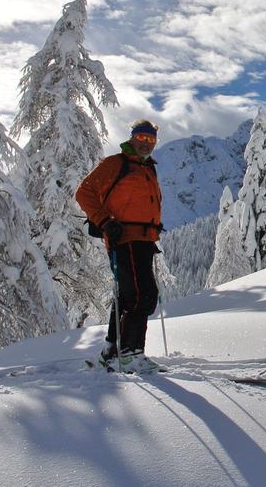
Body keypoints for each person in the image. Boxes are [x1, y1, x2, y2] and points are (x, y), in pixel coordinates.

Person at [76, 119, 164, 373]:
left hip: (144, 240)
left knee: (127, 296)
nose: (146, 143)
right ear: (132, 137)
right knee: (142, 296)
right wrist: (105, 221)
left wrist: (152, 229)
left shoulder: (148, 168)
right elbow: (84, 192)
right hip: (124, 239)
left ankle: (111, 350)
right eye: (141, 137)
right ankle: (130, 354)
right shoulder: (116, 163)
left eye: (151, 139)